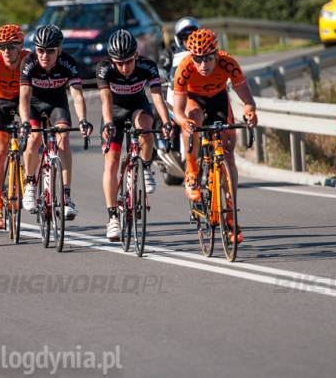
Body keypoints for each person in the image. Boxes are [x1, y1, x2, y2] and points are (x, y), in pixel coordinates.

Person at [171, 28, 258, 243]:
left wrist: (250, 113)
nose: (203, 65)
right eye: (198, 59)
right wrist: (185, 123)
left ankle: (230, 214)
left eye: (208, 59)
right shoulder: (184, 68)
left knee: (228, 154)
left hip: (219, 99)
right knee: (194, 118)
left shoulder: (228, 63)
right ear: (192, 57)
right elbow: (178, 112)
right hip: (194, 101)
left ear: (216, 54)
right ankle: (191, 171)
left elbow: (248, 100)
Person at [97, 29, 173, 241]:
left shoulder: (147, 66)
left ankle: (146, 167)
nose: (123, 67)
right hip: (114, 111)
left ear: (136, 56)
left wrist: (166, 122)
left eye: (128, 62)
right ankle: (112, 217)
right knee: (111, 162)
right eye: (118, 63)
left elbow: (157, 97)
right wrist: (109, 123)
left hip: (138, 107)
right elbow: (105, 101)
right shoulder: (105, 69)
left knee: (146, 125)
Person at [19, 24, 93, 219]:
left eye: (50, 51)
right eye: (40, 50)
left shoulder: (68, 63)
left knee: (63, 140)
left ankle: (66, 197)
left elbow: (77, 96)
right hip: (34, 105)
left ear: (59, 50)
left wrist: (83, 120)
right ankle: (29, 184)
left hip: (57, 104)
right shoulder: (29, 63)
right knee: (33, 140)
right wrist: (25, 121)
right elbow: (24, 98)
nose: (44, 55)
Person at [0, 24, 30, 230]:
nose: (6, 51)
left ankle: (31, 185)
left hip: (23, 99)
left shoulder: (28, 59)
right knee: (0, 151)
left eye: (11, 46)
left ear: (20, 45)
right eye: (2, 47)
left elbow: (32, 94)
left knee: (33, 141)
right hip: (0, 102)